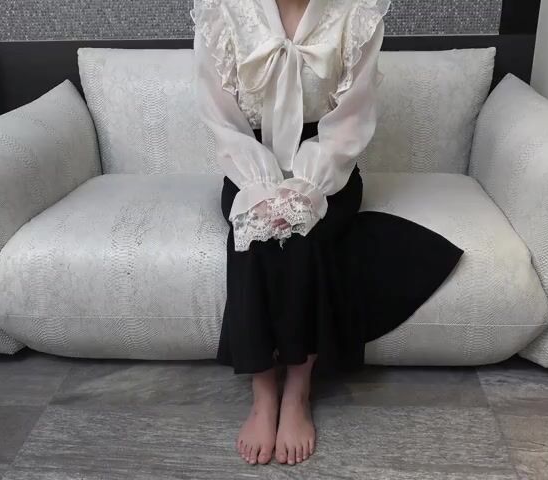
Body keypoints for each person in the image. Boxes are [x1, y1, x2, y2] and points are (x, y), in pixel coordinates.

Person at [192, 0, 463, 466]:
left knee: (304, 233)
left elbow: (352, 120)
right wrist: (262, 188)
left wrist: (305, 189)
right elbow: (221, 118)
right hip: (248, 163)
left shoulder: (357, 12)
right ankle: (263, 392)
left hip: (327, 166)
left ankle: (297, 388)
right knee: (253, 232)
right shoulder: (221, 9)